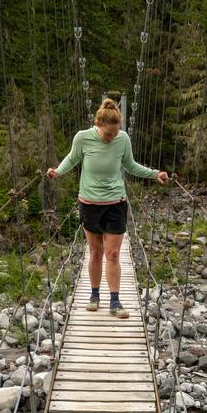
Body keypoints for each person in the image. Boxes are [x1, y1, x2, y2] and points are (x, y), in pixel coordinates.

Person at [47, 97, 168, 317]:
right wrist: (57, 171)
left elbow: (130, 165)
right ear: (98, 125)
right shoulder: (83, 138)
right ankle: (94, 296)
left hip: (116, 203)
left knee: (112, 254)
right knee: (95, 252)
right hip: (90, 203)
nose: (112, 138)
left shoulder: (123, 139)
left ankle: (115, 301)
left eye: (115, 133)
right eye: (108, 133)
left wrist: (155, 174)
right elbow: (72, 159)